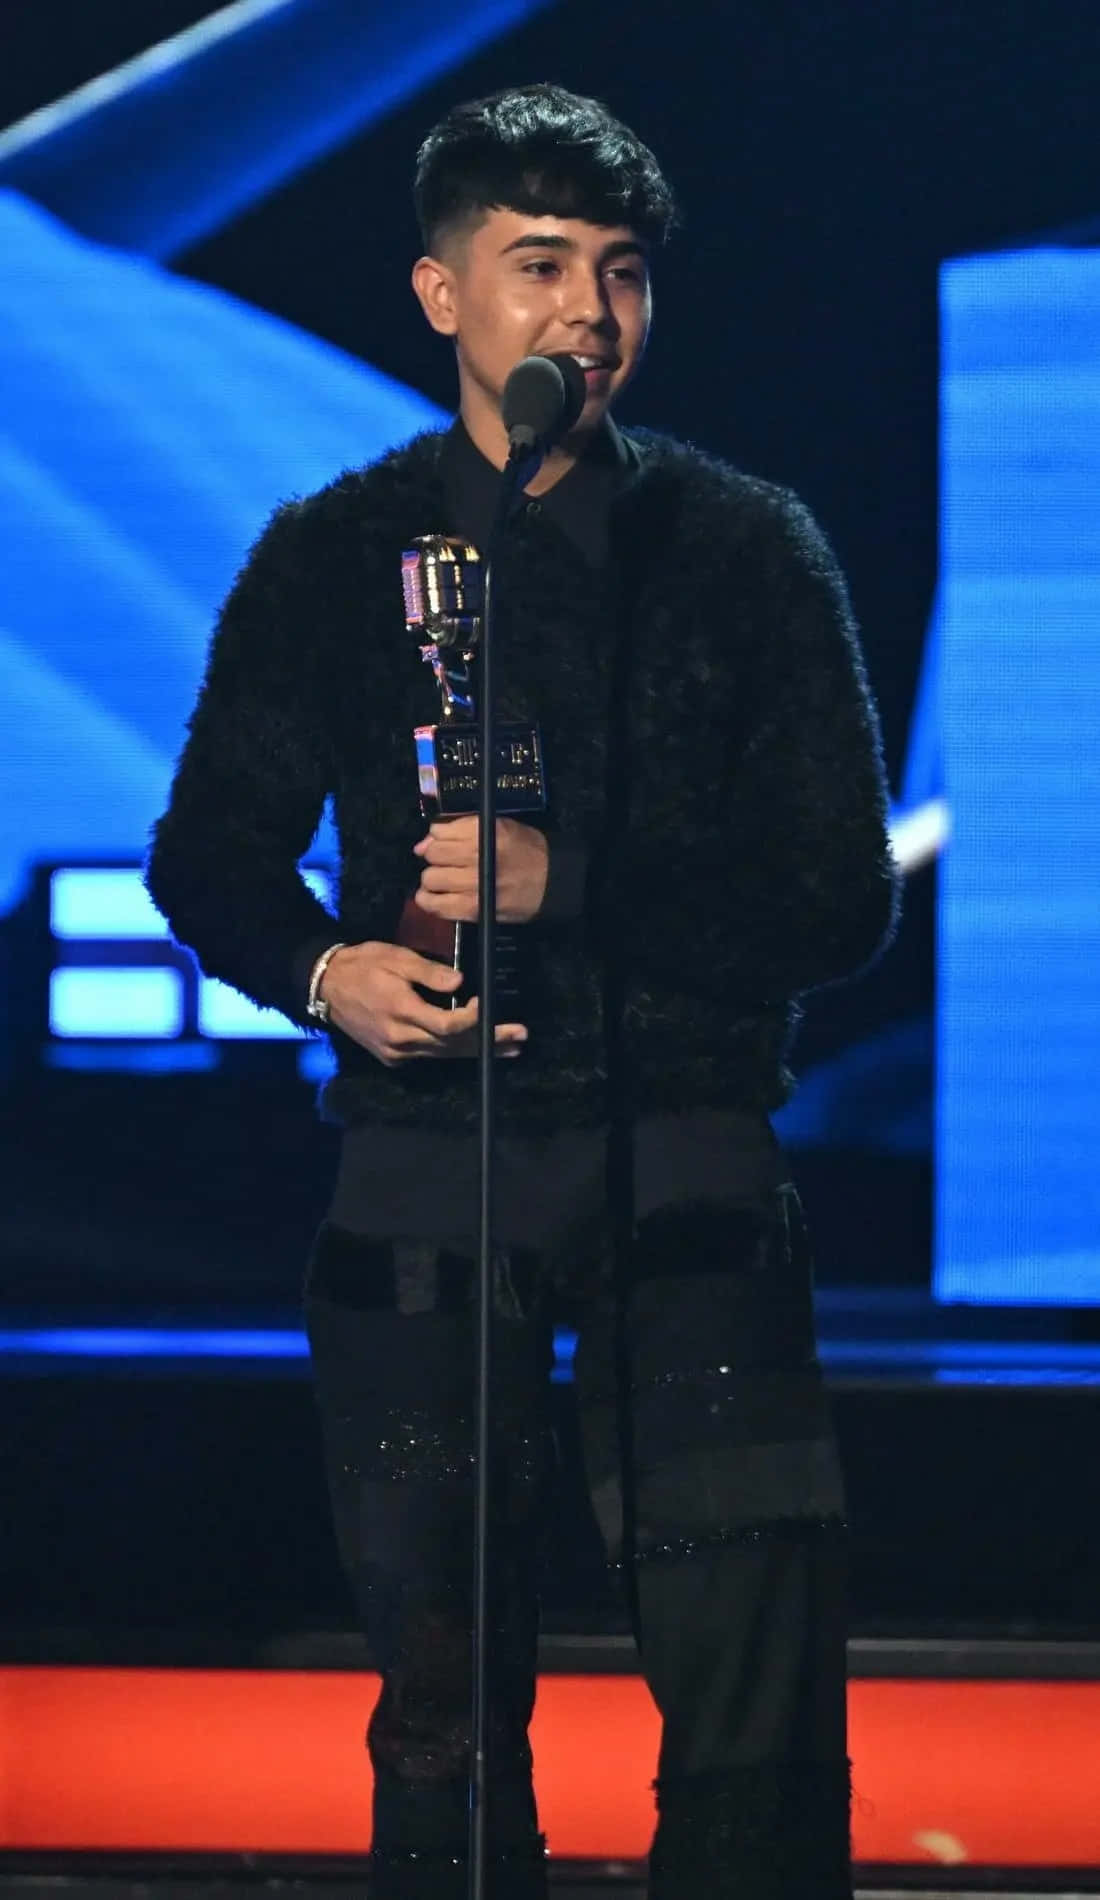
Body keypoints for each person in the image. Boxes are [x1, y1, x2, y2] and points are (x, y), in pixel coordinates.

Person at [146, 82, 898, 1900]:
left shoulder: (745, 547)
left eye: (623, 273)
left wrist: (587, 885)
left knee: (752, 1683)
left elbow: (841, 896)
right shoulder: (336, 553)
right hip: (426, 1166)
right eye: (542, 264)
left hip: (689, 1163)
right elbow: (210, 859)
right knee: (441, 1702)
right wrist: (327, 970)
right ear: (442, 293)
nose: (589, 311)